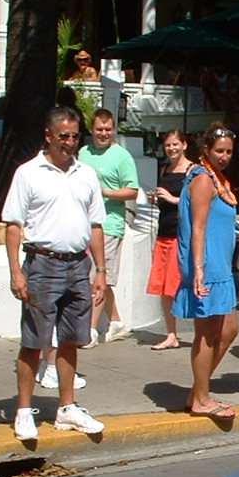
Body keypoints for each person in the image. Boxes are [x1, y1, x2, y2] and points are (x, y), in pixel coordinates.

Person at [2, 105, 107, 440]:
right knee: (34, 340)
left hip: (79, 264)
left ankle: (67, 407)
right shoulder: (28, 173)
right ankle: (23, 411)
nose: (70, 143)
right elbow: (13, 226)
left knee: (72, 339)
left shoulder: (87, 174)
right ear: (48, 136)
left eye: (76, 136)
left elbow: (96, 225)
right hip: (41, 264)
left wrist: (101, 271)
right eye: (64, 136)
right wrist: (16, 271)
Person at [173, 123, 239, 419]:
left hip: (221, 266)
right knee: (208, 333)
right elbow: (198, 227)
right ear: (205, 151)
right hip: (208, 265)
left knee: (229, 329)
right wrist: (198, 269)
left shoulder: (219, 180)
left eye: (228, 151)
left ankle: (198, 389)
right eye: (219, 151)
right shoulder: (202, 179)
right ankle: (201, 397)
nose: (224, 156)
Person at [78, 107, 138, 343]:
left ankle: (90, 330)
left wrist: (105, 193)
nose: (103, 133)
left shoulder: (122, 156)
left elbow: (132, 190)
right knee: (98, 277)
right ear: (92, 130)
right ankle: (116, 321)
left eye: (108, 129)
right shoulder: (83, 152)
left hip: (110, 224)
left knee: (98, 277)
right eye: (99, 129)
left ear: (113, 130)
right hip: (84, 226)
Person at [148, 129, 190, 351]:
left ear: (184, 145)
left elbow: (195, 200)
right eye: (168, 145)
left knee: (178, 284)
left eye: (175, 144)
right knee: (163, 287)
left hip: (180, 234)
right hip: (163, 232)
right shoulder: (165, 168)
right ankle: (171, 333)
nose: (172, 149)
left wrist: (173, 199)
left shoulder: (192, 170)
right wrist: (157, 200)